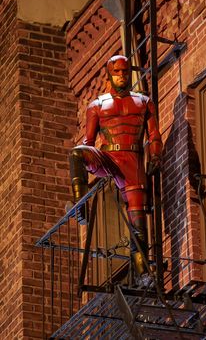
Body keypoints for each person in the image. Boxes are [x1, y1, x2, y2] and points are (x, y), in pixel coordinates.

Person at [68, 55, 162, 286]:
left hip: (134, 161)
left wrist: (156, 156)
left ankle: (143, 272)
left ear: (129, 72)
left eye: (125, 71)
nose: (121, 76)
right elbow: (88, 141)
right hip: (109, 156)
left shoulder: (143, 102)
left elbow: (154, 136)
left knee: (138, 223)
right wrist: (91, 163)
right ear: (109, 74)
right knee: (76, 153)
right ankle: (81, 206)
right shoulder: (97, 105)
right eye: (117, 72)